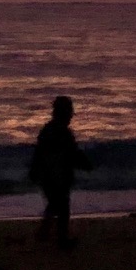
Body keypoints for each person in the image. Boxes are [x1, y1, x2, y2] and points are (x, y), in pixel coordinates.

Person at [29, 94, 91, 247]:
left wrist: (35, 170)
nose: (71, 115)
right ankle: (60, 238)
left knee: (55, 204)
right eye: (69, 112)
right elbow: (72, 153)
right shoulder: (61, 133)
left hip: (50, 175)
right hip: (56, 175)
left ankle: (45, 233)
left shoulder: (48, 130)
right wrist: (85, 163)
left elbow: (39, 153)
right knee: (62, 206)